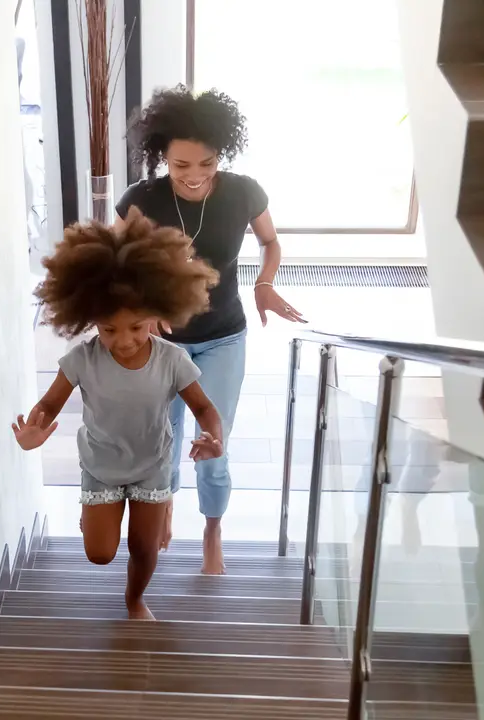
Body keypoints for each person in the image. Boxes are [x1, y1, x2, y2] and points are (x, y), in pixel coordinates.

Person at [118, 85, 306, 574]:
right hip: (160, 343)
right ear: (162, 158)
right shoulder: (142, 199)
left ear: (221, 153)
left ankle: (213, 527)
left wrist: (265, 282)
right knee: (164, 437)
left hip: (224, 335)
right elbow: (114, 263)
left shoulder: (243, 192)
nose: (195, 175)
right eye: (181, 166)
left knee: (212, 439)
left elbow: (270, 242)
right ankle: (167, 505)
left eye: (207, 163)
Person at [12, 208, 226, 620]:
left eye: (136, 327)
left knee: (144, 549)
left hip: (152, 465)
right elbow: (50, 404)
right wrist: (34, 429)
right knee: (99, 554)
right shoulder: (82, 359)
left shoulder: (172, 360)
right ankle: (96, 515)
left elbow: (203, 407)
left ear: (156, 315)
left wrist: (213, 436)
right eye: (109, 330)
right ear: (89, 319)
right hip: (101, 465)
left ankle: (134, 600)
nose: (123, 341)